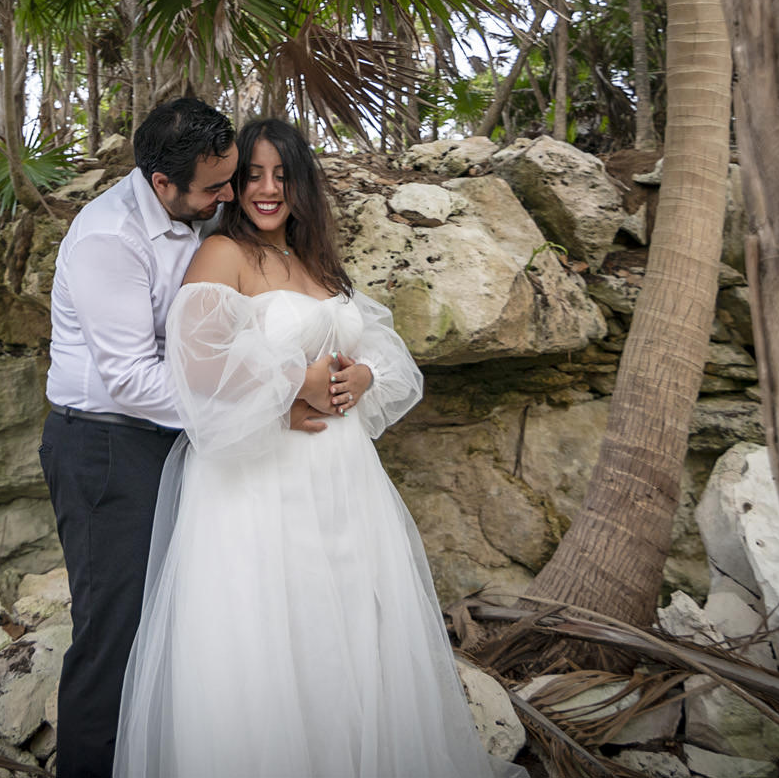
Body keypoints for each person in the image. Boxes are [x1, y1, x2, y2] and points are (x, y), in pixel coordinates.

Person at [113, 118, 522, 778]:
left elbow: (383, 350)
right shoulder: (223, 255)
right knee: (277, 639)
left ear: (301, 182)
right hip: (258, 480)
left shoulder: (316, 260)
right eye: (252, 175)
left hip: (343, 476)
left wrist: (364, 376)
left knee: (350, 633)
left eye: (282, 173)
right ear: (235, 184)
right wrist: (290, 385)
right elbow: (197, 365)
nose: (267, 188)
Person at [41, 96, 240, 778]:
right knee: (114, 632)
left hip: (170, 442)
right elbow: (130, 378)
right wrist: (250, 400)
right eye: (215, 187)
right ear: (163, 184)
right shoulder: (108, 238)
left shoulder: (201, 210)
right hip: (102, 450)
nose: (229, 195)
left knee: (176, 623)